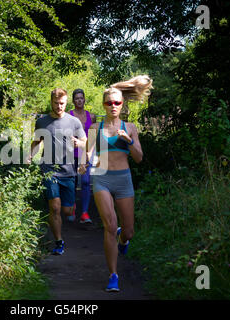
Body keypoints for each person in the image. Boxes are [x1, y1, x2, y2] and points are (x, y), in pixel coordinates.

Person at [79, 75, 153, 291]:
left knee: (128, 231)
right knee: (109, 226)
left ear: (122, 104)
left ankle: (124, 239)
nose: (113, 106)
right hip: (101, 178)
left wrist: (129, 141)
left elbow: (139, 158)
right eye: (109, 103)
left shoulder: (130, 127)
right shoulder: (95, 128)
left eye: (117, 103)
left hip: (123, 180)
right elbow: (88, 153)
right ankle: (113, 275)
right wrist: (84, 164)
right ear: (104, 104)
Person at [27, 88, 87, 255]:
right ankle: (59, 242)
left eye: (62, 103)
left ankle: (70, 209)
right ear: (51, 102)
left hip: (68, 171)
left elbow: (85, 142)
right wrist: (29, 155)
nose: (59, 106)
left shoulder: (74, 122)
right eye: (56, 103)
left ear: (66, 102)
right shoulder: (42, 122)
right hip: (49, 171)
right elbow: (36, 142)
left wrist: (79, 144)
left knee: (67, 211)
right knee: (54, 207)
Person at [68, 89, 96, 224]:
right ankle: (73, 207)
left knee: (85, 182)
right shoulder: (69, 115)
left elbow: (93, 136)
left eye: (81, 98)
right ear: (73, 101)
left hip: (86, 153)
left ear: (84, 100)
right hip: (72, 153)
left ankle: (84, 213)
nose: (79, 100)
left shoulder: (92, 116)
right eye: (77, 98)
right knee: (72, 181)